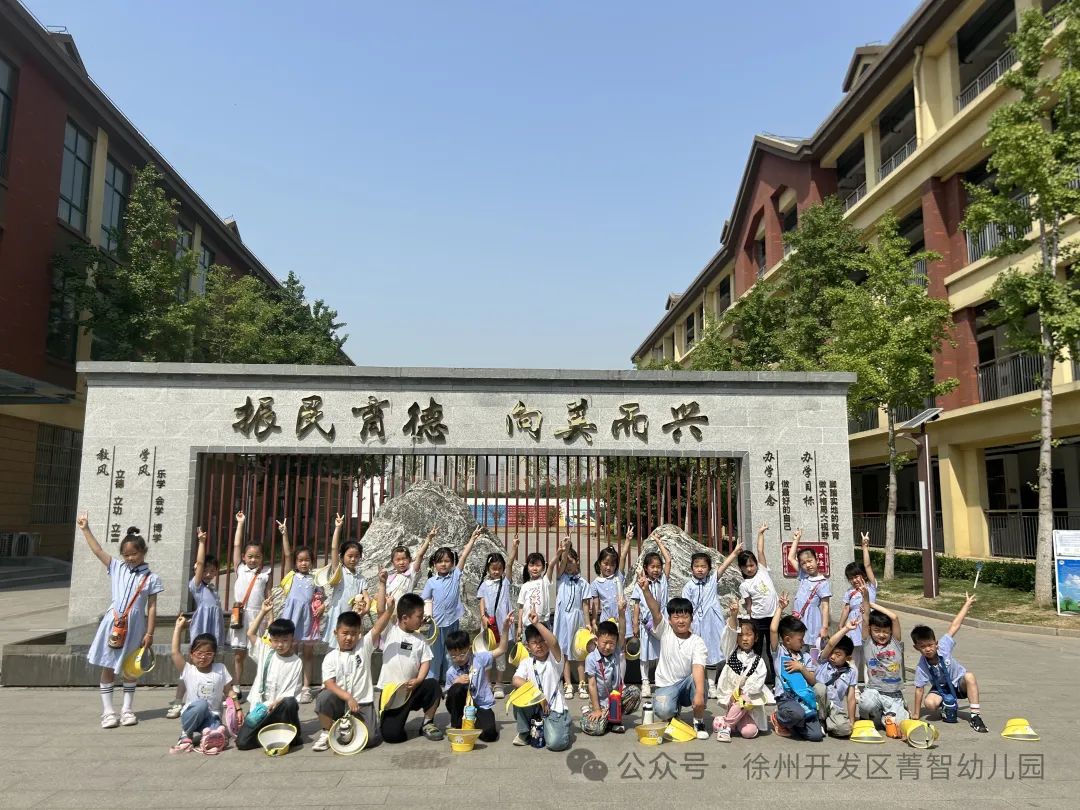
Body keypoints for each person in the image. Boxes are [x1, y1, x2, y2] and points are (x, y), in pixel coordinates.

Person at [78, 513, 163, 729]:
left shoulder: (151, 578)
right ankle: (108, 712)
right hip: (114, 623)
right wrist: (85, 528)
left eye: (133, 554)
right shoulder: (116, 567)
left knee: (130, 669)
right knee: (107, 665)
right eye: (125, 554)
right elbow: (98, 550)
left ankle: (127, 709)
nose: (129, 558)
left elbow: (151, 607)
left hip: (136, 627)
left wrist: (150, 632)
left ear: (143, 552)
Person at [312, 574, 396, 752]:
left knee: (372, 738)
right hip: (341, 700)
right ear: (336, 633)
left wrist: (389, 610)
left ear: (359, 633)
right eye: (345, 633)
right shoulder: (331, 657)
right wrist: (347, 697)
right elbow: (329, 683)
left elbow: (378, 627)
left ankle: (348, 725)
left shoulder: (363, 646)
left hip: (362, 702)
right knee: (324, 697)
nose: (349, 638)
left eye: (353, 633)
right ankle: (327, 731)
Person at [638, 569, 709, 739]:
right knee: (662, 710)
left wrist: (699, 694)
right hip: (666, 685)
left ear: (691, 618)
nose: (681, 620)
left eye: (685, 616)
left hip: (686, 684)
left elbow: (698, 667)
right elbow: (655, 610)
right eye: (676, 617)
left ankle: (698, 721)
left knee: (699, 682)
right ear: (669, 620)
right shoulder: (665, 631)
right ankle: (673, 713)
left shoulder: (697, 641)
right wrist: (646, 590)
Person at [911, 592, 987, 733]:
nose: (928, 649)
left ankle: (975, 716)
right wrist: (916, 714)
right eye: (923, 647)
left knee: (969, 676)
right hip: (941, 688)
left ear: (936, 643)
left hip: (958, 684)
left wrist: (967, 604)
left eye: (930, 645)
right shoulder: (922, 666)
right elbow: (919, 689)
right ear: (917, 648)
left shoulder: (944, 646)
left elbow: (954, 625)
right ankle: (946, 705)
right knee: (929, 704)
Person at [167, 526, 222, 719]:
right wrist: (201, 542)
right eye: (204, 570)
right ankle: (177, 700)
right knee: (191, 666)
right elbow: (199, 563)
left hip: (212, 631)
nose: (207, 573)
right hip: (201, 629)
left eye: (212, 570)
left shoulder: (213, 589)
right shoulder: (196, 586)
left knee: (209, 662)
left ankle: (208, 697)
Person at [377, 593, 444, 742]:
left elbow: (426, 661)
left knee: (433, 685)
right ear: (405, 618)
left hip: (413, 688)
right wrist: (382, 585)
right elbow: (381, 612)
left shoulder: (421, 639)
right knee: (392, 736)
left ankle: (427, 722)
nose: (422, 620)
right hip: (393, 694)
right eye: (419, 616)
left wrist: (419, 679)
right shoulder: (390, 631)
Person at [236, 601, 303, 751]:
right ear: (271, 640)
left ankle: (292, 733)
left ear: (292, 639)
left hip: (279, 708)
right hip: (260, 708)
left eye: (285, 640)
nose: (280, 645)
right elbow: (250, 634)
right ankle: (270, 733)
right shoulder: (266, 651)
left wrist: (275, 704)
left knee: (290, 703)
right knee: (242, 743)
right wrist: (263, 612)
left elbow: (291, 691)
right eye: (276, 640)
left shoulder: (296, 662)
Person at [421, 527, 481, 685]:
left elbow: (464, 556)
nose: (443, 564)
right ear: (434, 564)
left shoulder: (455, 576)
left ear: (452, 563)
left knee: (452, 654)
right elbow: (425, 599)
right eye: (440, 561)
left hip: (453, 622)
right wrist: (426, 617)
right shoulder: (431, 582)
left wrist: (473, 539)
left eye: (447, 561)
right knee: (434, 655)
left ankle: (451, 682)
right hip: (436, 625)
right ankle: (431, 683)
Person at [683, 543, 741, 699]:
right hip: (695, 623)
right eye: (697, 566)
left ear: (709, 568)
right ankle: (696, 684)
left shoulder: (711, 580)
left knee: (713, 653)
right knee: (696, 655)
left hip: (712, 622)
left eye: (703, 566)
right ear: (691, 568)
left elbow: (723, 567)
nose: (700, 569)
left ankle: (712, 685)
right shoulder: (688, 586)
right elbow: (686, 607)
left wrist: (734, 553)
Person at [224, 511, 271, 704]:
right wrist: (240, 524)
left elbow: (268, 598)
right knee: (239, 654)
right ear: (243, 557)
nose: (253, 560)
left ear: (262, 558)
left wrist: (271, 618)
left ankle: (262, 685)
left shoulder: (266, 573)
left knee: (260, 653)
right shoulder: (240, 569)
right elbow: (235, 545)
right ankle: (237, 684)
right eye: (250, 556)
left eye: (257, 557)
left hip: (257, 617)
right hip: (239, 617)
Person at [443, 616, 513, 742]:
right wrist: (455, 682)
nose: (458, 658)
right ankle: (457, 725)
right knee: (456, 689)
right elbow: (449, 697)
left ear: (469, 648)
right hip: (461, 707)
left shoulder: (479, 659)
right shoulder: (451, 672)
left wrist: (505, 628)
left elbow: (502, 649)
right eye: (453, 656)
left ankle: (473, 725)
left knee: (490, 735)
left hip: (480, 705)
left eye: (462, 653)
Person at [169, 615, 231, 754]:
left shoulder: (220, 669)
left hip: (212, 716)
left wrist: (236, 710)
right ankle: (186, 734)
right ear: (191, 654)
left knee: (216, 730)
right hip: (192, 715)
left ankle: (209, 736)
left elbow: (229, 692)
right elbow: (175, 652)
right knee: (201, 704)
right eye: (199, 653)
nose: (203, 657)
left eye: (208, 654)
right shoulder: (188, 670)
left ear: (214, 655)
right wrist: (178, 628)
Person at [510, 610, 572, 750]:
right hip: (536, 706)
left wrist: (537, 624)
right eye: (534, 642)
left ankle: (563, 722)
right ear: (528, 646)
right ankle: (524, 732)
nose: (539, 645)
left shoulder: (555, 658)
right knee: (517, 692)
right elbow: (515, 680)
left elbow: (554, 643)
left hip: (554, 708)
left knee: (556, 744)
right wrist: (538, 695)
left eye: (542, 641)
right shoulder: (526, 662)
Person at [275, 519, 321, 703]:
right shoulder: (291, 576)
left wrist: (322, 606)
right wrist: (284, 533)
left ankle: (306, 687)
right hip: (291, 620)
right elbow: (286, 554)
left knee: (307, 654)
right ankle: (290, 686)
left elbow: (320, 598)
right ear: (295, 562)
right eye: (300, 560)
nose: (304, 563)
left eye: (307, 560)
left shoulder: (315, 578)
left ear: (312, 562)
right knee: (289, 652)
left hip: (309, 621)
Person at [713, 599, 772, 742]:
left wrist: (740, 693)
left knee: (749, 732)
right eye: (741, 635)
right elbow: (730, 633)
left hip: (747, 703)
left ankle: (725, 722)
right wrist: (734, 615)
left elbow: (756, 685)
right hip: (730, 700)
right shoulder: (731, 653)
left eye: (749, 635)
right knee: (741, 702)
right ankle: (727, 727)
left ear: (756, 637)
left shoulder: (758, 662)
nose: (744, 639)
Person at [580, 598, 640, 736]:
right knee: (596, 730)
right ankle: (593, 713)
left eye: (612, 643)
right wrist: (597, 709)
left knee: (635, 693)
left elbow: (623, 632)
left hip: (616, 699)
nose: (608, 647)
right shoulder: (591, 659)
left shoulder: (616, 652)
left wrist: (621, 612)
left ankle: (613, 719)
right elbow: (592, 685)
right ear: (596, 640)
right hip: (600, 702)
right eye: (604, 642)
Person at [769, 594, 824, 742]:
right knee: (797, 713)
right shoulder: (779, 653)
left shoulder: (805, 657)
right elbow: (773, 630)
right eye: (800, 639)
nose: (803, 642)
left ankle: (795, 723)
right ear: (787, 639)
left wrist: (801, 668)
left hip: (804, 699)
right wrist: (780, 608)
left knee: (816, 736)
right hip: (786, 698)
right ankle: (779, 718)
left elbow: (813, 681)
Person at [857, 589, 908, 734]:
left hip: (894, 694)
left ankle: (897, 711)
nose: (881, 634)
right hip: (874, 690)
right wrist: (865, 597)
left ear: (891, 631)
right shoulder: (868, 644)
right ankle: (876, 714)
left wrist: (872, 604)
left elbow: (894, 617)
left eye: (885, 631)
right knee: (866, 704)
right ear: (870, 630)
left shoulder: (895, 643)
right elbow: (866, 618)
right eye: (877, 630)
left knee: (897, 728)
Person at [477, 534, 519, 698]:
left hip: (502, 625)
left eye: (499, 568)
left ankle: (499, 684)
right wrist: (482, 617)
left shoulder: (505, 582)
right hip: (488, 625)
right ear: (488, 569)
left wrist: (514, 547)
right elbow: (481, 601)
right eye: (493, 568)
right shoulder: (484, 584)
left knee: (500, 656)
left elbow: (510, 563)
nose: (496, 571)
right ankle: (487, 683)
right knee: (487, 655)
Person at [630, 533, 672, 699]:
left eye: (658, 566)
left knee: (663, 653)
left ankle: (661, 680)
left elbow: (668, 560)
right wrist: (634, 623)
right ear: (646, 568)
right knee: (645, 655)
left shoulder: (664, 581)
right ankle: (645, 682)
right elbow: (636, 605)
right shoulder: (641, 584)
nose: (656, 569)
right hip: (646, 624)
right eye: (652, 566)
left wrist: (658, 542)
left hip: (662, 623)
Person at [739, 523, 780, 687]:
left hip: (773, 618)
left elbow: (760, 551)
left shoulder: (762, 570)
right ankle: (753, 679)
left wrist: (760, 533)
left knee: (773, 650)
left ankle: (777, 680)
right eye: (745, 566)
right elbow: (749, 605)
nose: (749, 568)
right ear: (741, 568)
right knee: (756, 651)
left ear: (756, 564)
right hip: (757, 620)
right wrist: (749, 621)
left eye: (751, 564)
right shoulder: (744, 585)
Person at [322, 515, 368, 650]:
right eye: (350, 556)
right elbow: (334, 549)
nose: (353, 559)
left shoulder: (360, 577)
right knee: (335, 648)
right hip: (338, 614)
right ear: (342, 557)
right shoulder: (339, 571)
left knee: (352, 647)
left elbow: (366, 596)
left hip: (354, 617)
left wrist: (365, 609)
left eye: (356, 556)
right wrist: (337, 528)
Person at [553, 537, 591, 700]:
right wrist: (566, 548)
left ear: (577, 562)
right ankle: (568, 683)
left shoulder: (583, 583)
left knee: (579, 652)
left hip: (577, 619)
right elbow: (560, 564)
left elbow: (585, 605)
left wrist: (588, 623)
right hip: (562, 619)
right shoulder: (560, 578)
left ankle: (582, 684)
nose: (568, 565)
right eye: (565, 562)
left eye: (571, 562)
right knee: (565, 653)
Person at [838, 532, 878, 681]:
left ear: (863, 575)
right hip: (854, 626)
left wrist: (865, 547)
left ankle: (870, 686)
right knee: (854, 658)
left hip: (870, 623)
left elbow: (867, 565)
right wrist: (842, 627)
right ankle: (853, 687)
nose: (854, 580)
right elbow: (846, 609)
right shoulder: (849, 592)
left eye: (856, 576)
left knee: (870, 657)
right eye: (851, 578)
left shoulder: (871, 586)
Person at [786, 527, 830, 655]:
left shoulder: (822, 582)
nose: (808, 565)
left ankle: (812, 671)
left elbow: (825, 606)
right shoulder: (803, 575)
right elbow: (790, 558)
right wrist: (796, 540)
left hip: (812, 618)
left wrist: (825, 627)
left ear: (817, 560)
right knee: (797, 645)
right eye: (804, 563)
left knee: (812, 647)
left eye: (810, 561)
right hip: (798, 616)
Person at [814, 621, 858, 738]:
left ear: (847, 658)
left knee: (845, 729)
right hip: (817, 706)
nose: (833, 656)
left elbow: (851, 697)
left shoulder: (851, 672)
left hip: (834, 708)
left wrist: (852, 721)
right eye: (832, 653)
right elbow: (830, 644)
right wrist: (846, 628)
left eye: (838, 655)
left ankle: (828, 723)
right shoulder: (823, 662)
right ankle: (820, 720)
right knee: (820, 687)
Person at [588, 525, 634, 638]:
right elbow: (595, 605)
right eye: (605, 564)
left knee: (623, 645)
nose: (609, 567)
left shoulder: (618, 576)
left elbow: (623, 557)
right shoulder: (595, 584)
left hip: (623, 616)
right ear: (599, 563)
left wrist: (628, 540)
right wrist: (594, 621)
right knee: (608, 643)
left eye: (612, 565)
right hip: (607, 619)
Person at [379, 525, 438, 611]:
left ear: (409, 560)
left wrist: (429, 538)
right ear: (393, 563)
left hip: (404, 612)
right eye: (398, 560)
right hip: (389, 615)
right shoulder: (389, 579)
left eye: (404, 559)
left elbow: (420, 555)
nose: (401, 562)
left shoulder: (411, 573)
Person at [517, 549, 556, 635]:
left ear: (543, 568)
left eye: (538, 565)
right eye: (531, 565)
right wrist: (519, 627)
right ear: (527, 567)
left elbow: (552, 565)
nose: (535, 568)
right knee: (528, 647)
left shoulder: (545, 581)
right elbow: (521, 608)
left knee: (543, 647)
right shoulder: (524, 586)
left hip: (543, 623)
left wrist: (560, 551)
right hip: (527, 624)